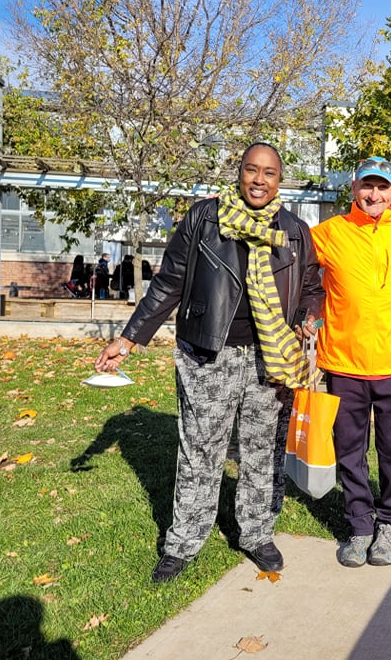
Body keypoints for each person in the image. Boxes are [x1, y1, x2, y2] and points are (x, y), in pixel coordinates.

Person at [94, 142, 324, 583]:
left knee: (263, 452)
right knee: (201, 451)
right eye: (251, 170)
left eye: (269, 173)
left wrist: (309, 319)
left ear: (281, 179)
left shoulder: (294, 230)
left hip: (271, 361)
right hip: (207, 353)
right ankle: (183, 542)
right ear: (239, 173)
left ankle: (256, 534)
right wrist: (128, 339)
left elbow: (312, 286)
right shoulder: (205, 218)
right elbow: (169, 283)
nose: (259, 180)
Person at [309, 156, 391, 568]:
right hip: (343, 361)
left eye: (383, 187)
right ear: (353, 188)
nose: (374, 195)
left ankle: (389, 522)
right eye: (367, 186)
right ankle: (359, 526)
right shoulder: (328, 233)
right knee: (350, 449)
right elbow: (293, 262)